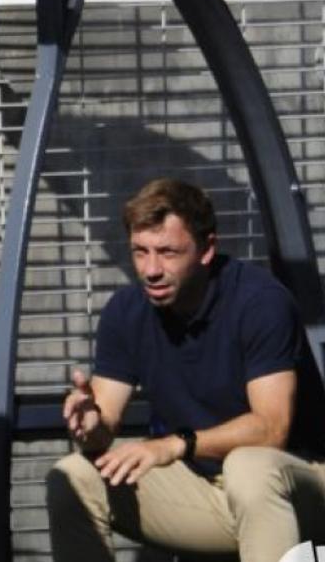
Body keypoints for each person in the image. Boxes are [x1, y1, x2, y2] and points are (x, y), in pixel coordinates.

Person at [48, 178, 325, 562]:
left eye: (167, 252)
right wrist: (90, 424)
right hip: (207, 491)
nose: (151, 269)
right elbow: (102, 428)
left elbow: (271, 428)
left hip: (302, 487)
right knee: (73, 477)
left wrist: (177, 444)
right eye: (140, 252)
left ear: (207, 249)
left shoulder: (261, 302)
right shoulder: (126, 312)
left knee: (249, 467)